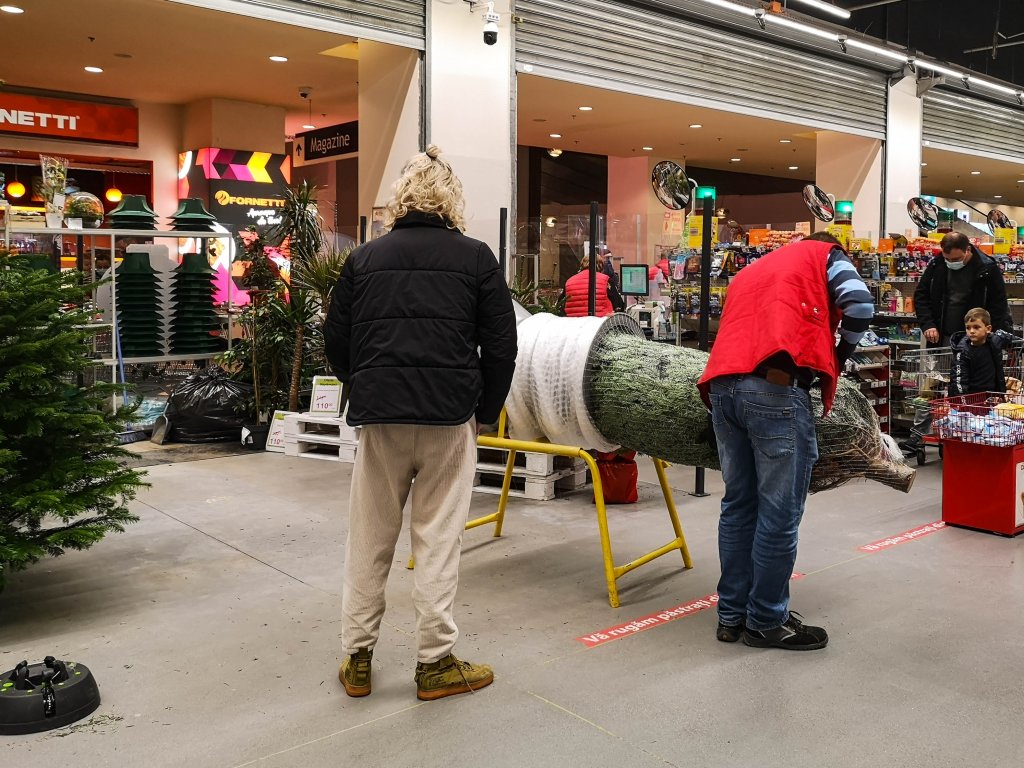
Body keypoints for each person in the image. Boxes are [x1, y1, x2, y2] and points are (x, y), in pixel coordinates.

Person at [324, 145, 517, 701]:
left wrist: (365, 384)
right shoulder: (477, 258)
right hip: (449, 415)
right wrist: (483, 412)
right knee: (437, 540)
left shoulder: (364, 259)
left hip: (380, 417)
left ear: (401, 197)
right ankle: (435, 663)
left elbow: (336, 341)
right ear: (451, 198)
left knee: (370, 535)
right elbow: (502, 347)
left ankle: (357, 659)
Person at [696, 231, 874, 651]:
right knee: (779, 513)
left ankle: (731, 615)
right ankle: (766, 621)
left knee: (738, 506)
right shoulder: (826, 254)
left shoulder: (753, 269)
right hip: (774, 390)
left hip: (722, 388)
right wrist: (838, 355)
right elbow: (861, 305)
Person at [914, 232, 1012, 347]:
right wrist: (928, 324)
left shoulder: (987, 268)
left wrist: (990, 336)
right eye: (947, 259)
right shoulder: (937, 264)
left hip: (976, 340)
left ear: (968, 249)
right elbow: (921, 295)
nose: (951, 263)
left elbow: (998, 304)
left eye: (956, 259)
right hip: (942, 338)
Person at [949, 307, 1018, 396]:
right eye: (968, 328)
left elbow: (1017, 342)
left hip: (993, 395)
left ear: (988, 329)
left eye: (976, 327)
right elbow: (959, 382)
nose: (971, 331)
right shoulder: (962, 352)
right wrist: (963, 404)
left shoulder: (996, 340)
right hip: (972, 398)